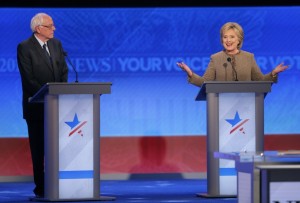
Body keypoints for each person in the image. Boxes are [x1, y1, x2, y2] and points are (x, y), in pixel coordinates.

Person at [17, 13, 68, 197]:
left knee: (58, 148)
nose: (54, 28)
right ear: (38, 28)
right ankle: (41, 187)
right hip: (36, 107)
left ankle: (58, 183)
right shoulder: (24, 47)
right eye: (50, 25)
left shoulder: (57, 45)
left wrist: (60, 92)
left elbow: (63, 71)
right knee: (39, 150)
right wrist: (46, 95)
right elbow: (28, 79)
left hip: (57, 107)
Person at [177, 22, 288, 86]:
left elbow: (260, 81)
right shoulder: (216, 58)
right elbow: (205, 83)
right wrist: (190, 73)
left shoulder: (248, 57)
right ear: (222, 40)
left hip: (245, 108)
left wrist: (273, 73)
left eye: (232, 37)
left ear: (239, 40)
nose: (228, 40)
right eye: (225, 37)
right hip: (222, 108)